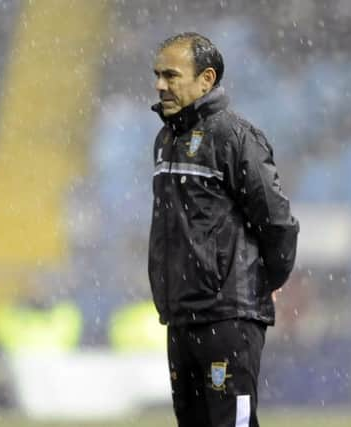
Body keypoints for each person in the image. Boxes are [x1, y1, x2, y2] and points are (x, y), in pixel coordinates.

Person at [147, 32, 299, 427]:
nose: (160, 84)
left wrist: (263, 281)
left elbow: (278, 222)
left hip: (226, 319)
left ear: (206, 79)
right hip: (181, 318)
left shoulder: (234, 136)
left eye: (171, 75)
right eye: (157, 75)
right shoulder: (166, 139)